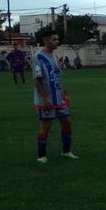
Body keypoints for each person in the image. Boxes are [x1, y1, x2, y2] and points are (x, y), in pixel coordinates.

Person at [32, 28, 79, 163]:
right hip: (46, 100)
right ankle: (41, 156)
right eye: (54, 39)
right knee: (46, 127)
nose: (57, 42)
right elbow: (37, 80)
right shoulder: (38, 57)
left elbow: (58, 78)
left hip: (59, 99)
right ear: (46, 40)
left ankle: (66, 151)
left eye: (57, 39)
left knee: (67, 123)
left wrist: (65, 95)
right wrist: (45, 98)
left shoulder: (55, 57)